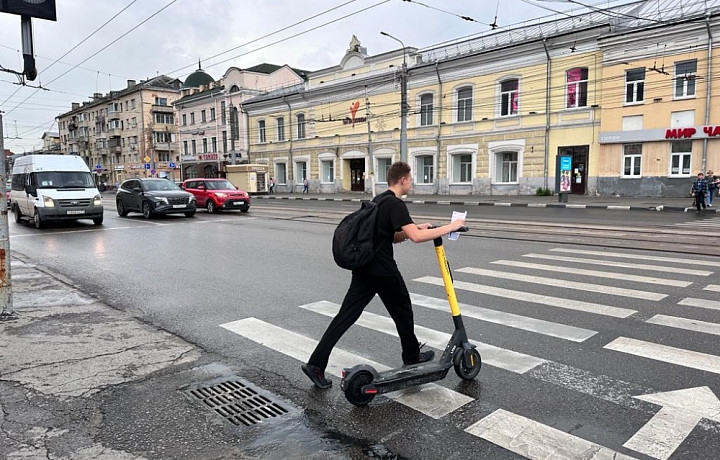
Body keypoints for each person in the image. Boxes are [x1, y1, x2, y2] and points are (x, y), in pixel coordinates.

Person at [301, 161, 467, 389]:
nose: (411, 182)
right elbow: (417, 239)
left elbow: (392, 236)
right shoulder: (396, 204)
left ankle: (315, 364)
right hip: (382, 269)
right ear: (403, 180)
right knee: (403, 309)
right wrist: (451, 226)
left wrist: (415, 227)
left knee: (346, 316)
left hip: (365, 268)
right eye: (410, 178)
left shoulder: (379, 200)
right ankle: (411, 356)